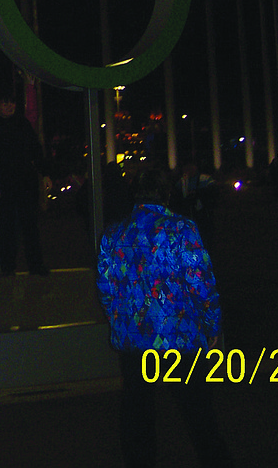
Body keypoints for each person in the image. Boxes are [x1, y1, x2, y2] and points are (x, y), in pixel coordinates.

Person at [96, 168, 233, 468]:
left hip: (133, 341)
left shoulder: (114, 232)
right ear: (167, 195)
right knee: (198, 413)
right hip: (179, 337)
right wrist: (212, 325)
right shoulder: (181, 228)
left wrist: (121, 322)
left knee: (137, 412)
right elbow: (201, 283)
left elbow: (106, 289)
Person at [0, 90, 48, 276]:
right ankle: (7, 266)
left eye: (12, 102)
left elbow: (36, 150)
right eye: (5, 103)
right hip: (4, 184)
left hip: (26, 182)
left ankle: (35, 264)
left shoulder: (23, 123)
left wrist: (45, 173)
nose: (9, 106)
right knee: (6, 227)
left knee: (30, 225)